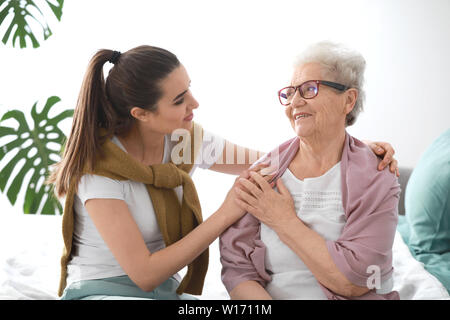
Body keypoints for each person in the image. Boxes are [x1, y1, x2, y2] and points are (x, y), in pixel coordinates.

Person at [47, 45, 398, 300]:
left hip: (164, 292)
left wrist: (353, 148)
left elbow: (280, 161)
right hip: (106, 291)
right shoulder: (100, 172)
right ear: (142, 114)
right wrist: (227, 212)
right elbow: (144, 274)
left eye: (189, 88)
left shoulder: (181, 142)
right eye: (179, 99)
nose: (195, 103)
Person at [220, 41, 401, 300]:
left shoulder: (376, 175)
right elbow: (238, 270)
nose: (294, 102)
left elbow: (358, 281)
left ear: (348, 100)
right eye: (290, 92)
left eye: (309, 89)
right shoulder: (264, 174)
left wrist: (283, 221)